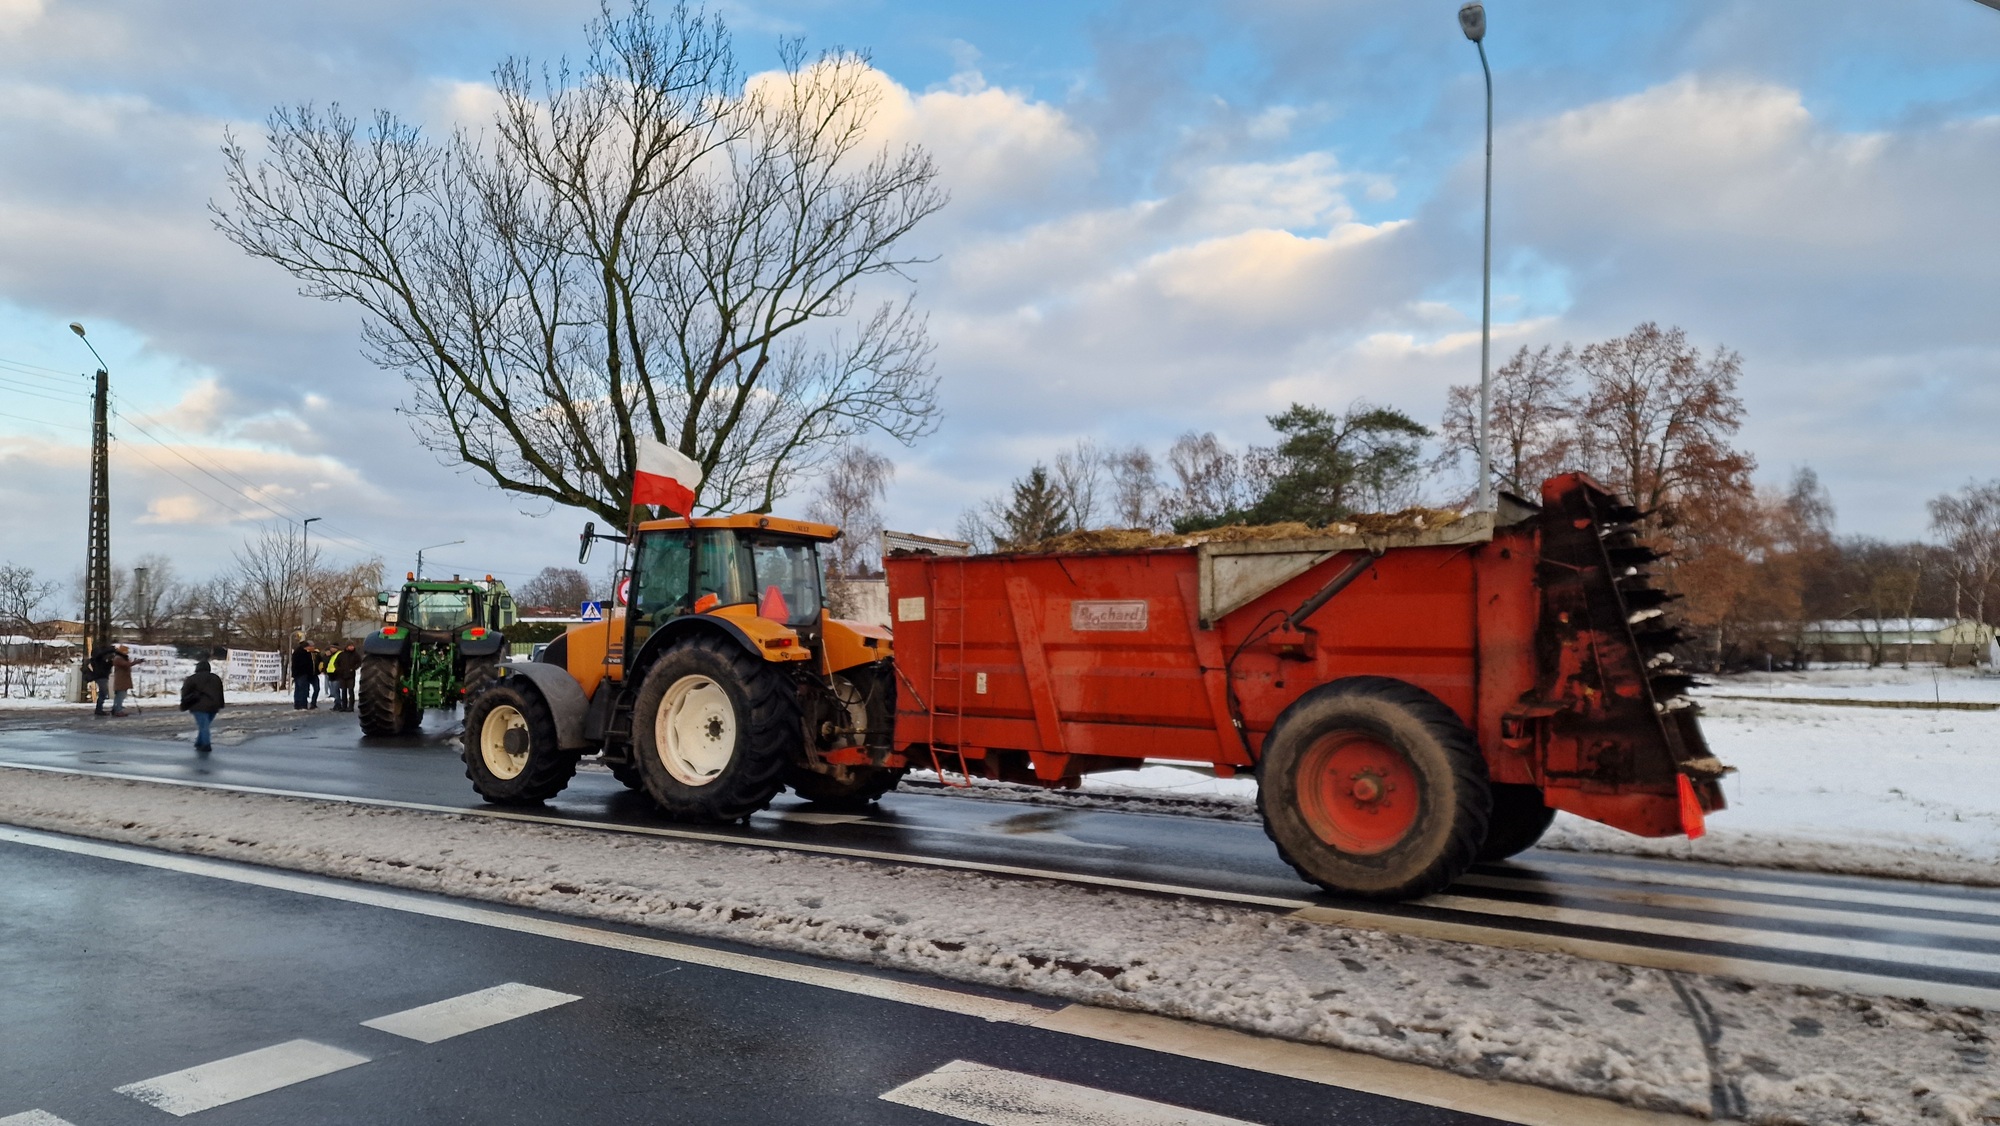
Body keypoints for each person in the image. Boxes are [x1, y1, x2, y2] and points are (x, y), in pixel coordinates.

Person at [179, 658, 225, 754]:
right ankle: (199, 743)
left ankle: (206, 745)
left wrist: (184, 703)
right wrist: (221, 704)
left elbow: (185, 692)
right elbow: (220, 693)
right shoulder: (216, 678)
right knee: (205, 725)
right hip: (214, 706)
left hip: (198, 706)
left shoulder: (192, 678)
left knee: (204, 726)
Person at [109, 645, 143, 717]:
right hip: (121, 680)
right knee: (120, 696)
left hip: (122, 679)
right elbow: (126, 665)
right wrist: (136, 662)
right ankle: (118, 710)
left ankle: (116, 709)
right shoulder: (118, 658)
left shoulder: (120, 658)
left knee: (120, 696)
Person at [329, 642, 359, 712]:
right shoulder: (342, 654)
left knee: (351, 691)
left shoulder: (355, 654)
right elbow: (336, 663)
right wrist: (339, 669)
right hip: (342, 675)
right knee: (343, 691)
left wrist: (353, 668)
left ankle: (351, 707)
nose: (351, 647)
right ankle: (344, 706)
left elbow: (359, 662)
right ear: (346, 647)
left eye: (352, 646)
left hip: (351, 675)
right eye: (350, 646)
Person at [84, 647, 114, 717]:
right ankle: (99, 709)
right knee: (103, 693)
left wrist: (109, 662)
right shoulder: (98, 660)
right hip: (101, 677)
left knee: (103, 693)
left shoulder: (97, 661)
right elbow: (104, 667)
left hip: (101, 677)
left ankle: (99, 709)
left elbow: (106, 667)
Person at [290, 640, 315, 710]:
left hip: (297, 674)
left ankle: (297, 704)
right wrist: (309, 673)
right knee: (303, 690)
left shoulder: (296, 652)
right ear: (307, 647)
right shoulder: (304, 653)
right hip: (303, 674)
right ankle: (303, 704)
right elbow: (307, 664)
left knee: (298, 690)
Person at [308, 642, 326, 709]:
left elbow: (321, 662)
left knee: (317, 689)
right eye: (311, 646)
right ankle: (303, 703)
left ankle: (313, 703)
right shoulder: (305, 654)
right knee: (305, 690)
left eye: (313, 646)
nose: (312, 647)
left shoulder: (317, 654)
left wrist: (321, 669)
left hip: (315, 674)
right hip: (307, 674)